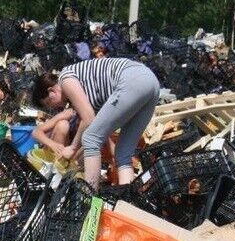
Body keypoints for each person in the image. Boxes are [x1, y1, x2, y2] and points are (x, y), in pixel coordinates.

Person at [32, 58, 159, 190]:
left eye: (49, 103)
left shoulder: (65, 79)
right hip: (151, 83)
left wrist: (73, 148)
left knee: (90, 139)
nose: (52, 107)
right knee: (123, 155)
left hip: (132, 79)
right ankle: (128, 198)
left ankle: (90, 197)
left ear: (51, 91)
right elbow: (90, 121)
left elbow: (89, 119)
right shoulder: (87, 90)